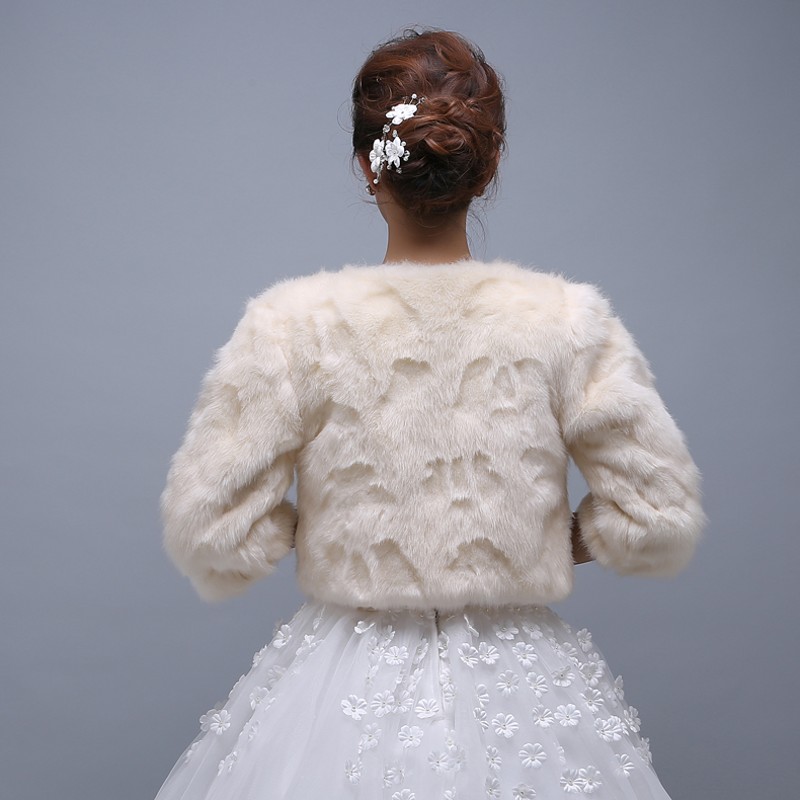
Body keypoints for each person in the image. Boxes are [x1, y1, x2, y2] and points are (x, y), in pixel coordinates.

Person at [153, 26, 706, 800]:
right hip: (520, 677)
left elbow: (209, 528)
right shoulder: (566, 320)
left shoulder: (293, 325)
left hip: (344, 674)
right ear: (490, 163)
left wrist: (350, 531)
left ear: (365, 164)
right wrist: (530, 539)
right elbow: (658, 515)